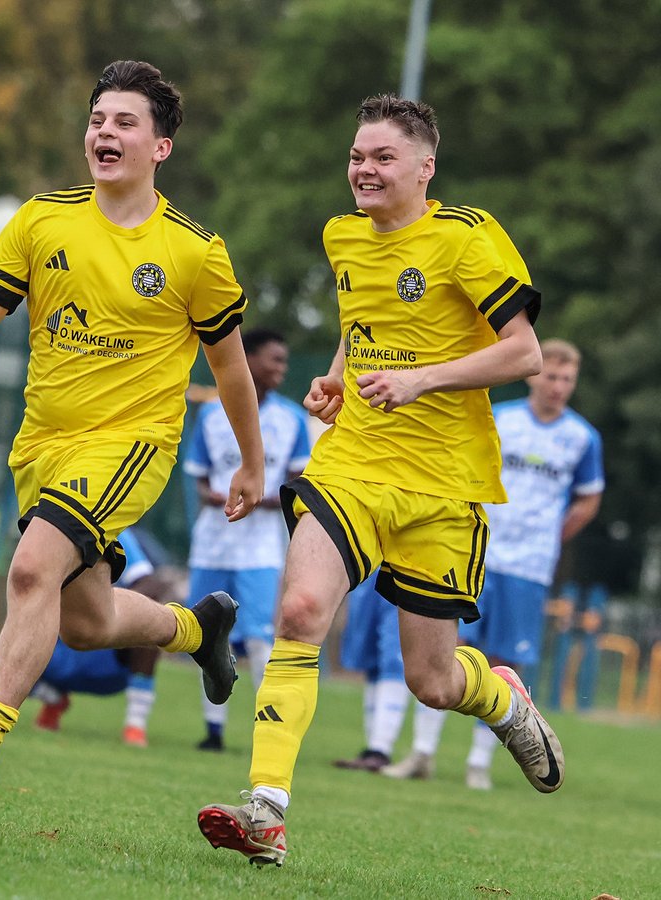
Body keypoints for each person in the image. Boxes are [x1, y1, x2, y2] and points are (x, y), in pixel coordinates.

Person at [0, 60, 266, 806]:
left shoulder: (194, 250)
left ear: (161, 148)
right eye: (97, 120)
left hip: (130, 443)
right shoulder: (41, 219)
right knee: (85, 623)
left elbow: (234, 371)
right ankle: (196, 630)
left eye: (124, 123)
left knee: (30, 571)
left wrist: (253, 462)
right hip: (43, 443)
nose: (104, 134)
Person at [198, 94, 560, 869]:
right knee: (299, 610)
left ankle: (502, 699)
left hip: (443, 485)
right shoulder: (342, 238)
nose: (364, 169)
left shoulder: (467, 237)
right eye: (358, 156)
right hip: (354, 462)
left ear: (425, 168)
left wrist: (424, 381)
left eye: (382, 157)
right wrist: (335, 378)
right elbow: (360, 325)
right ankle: (267, 808)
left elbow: (523, 354)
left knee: (432, 681)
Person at [383, 338, 602, 790]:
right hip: (479, 550)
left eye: (567, 379)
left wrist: (551, 537)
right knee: (447, 647)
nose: (558, 386)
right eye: (552, 375)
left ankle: (479, 762)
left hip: (530, 567)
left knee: (507, 659)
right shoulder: (501, 420)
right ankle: (422, 752)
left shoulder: (582, 437)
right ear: (533, 375)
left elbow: (588, 498)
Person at [185, 328, 311, 751]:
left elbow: (298, 487)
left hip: (260, 548)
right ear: (250, 359)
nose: (281, 369)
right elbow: (200, 482)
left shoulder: (291, 418)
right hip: (213, 542)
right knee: (206, 632)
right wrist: (217, 497)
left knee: (259, 634)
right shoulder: (210, 413)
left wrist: (259, 498)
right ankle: (212, 729)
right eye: (275, 359)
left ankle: (266, 727)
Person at [15, 528, 181, 747]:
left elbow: (151, 584)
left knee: (148, 627)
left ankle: (135, 725)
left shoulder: (112, 526)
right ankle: (52, 698)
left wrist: (102, 605)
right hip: (60, 653)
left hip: (108, 656)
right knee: (0, 649)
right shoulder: (45, 527)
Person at [331, 573, 409, 772]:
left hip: (407, 564)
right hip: (371, 565)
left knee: (395, 657)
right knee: (371, 657)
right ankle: (373, 747)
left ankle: (381, 748)